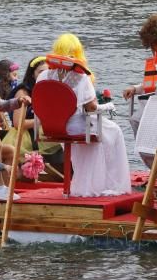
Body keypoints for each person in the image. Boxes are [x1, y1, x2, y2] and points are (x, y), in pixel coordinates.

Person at [38, 34, 131, 197]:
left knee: (101, 133)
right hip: (75, 128)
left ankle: (90, 182)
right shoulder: (81, 77)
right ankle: (107, 183)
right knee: (114, 130)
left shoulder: (43, 76)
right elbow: (91, 108)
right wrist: (109, 106)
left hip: (50, 127)